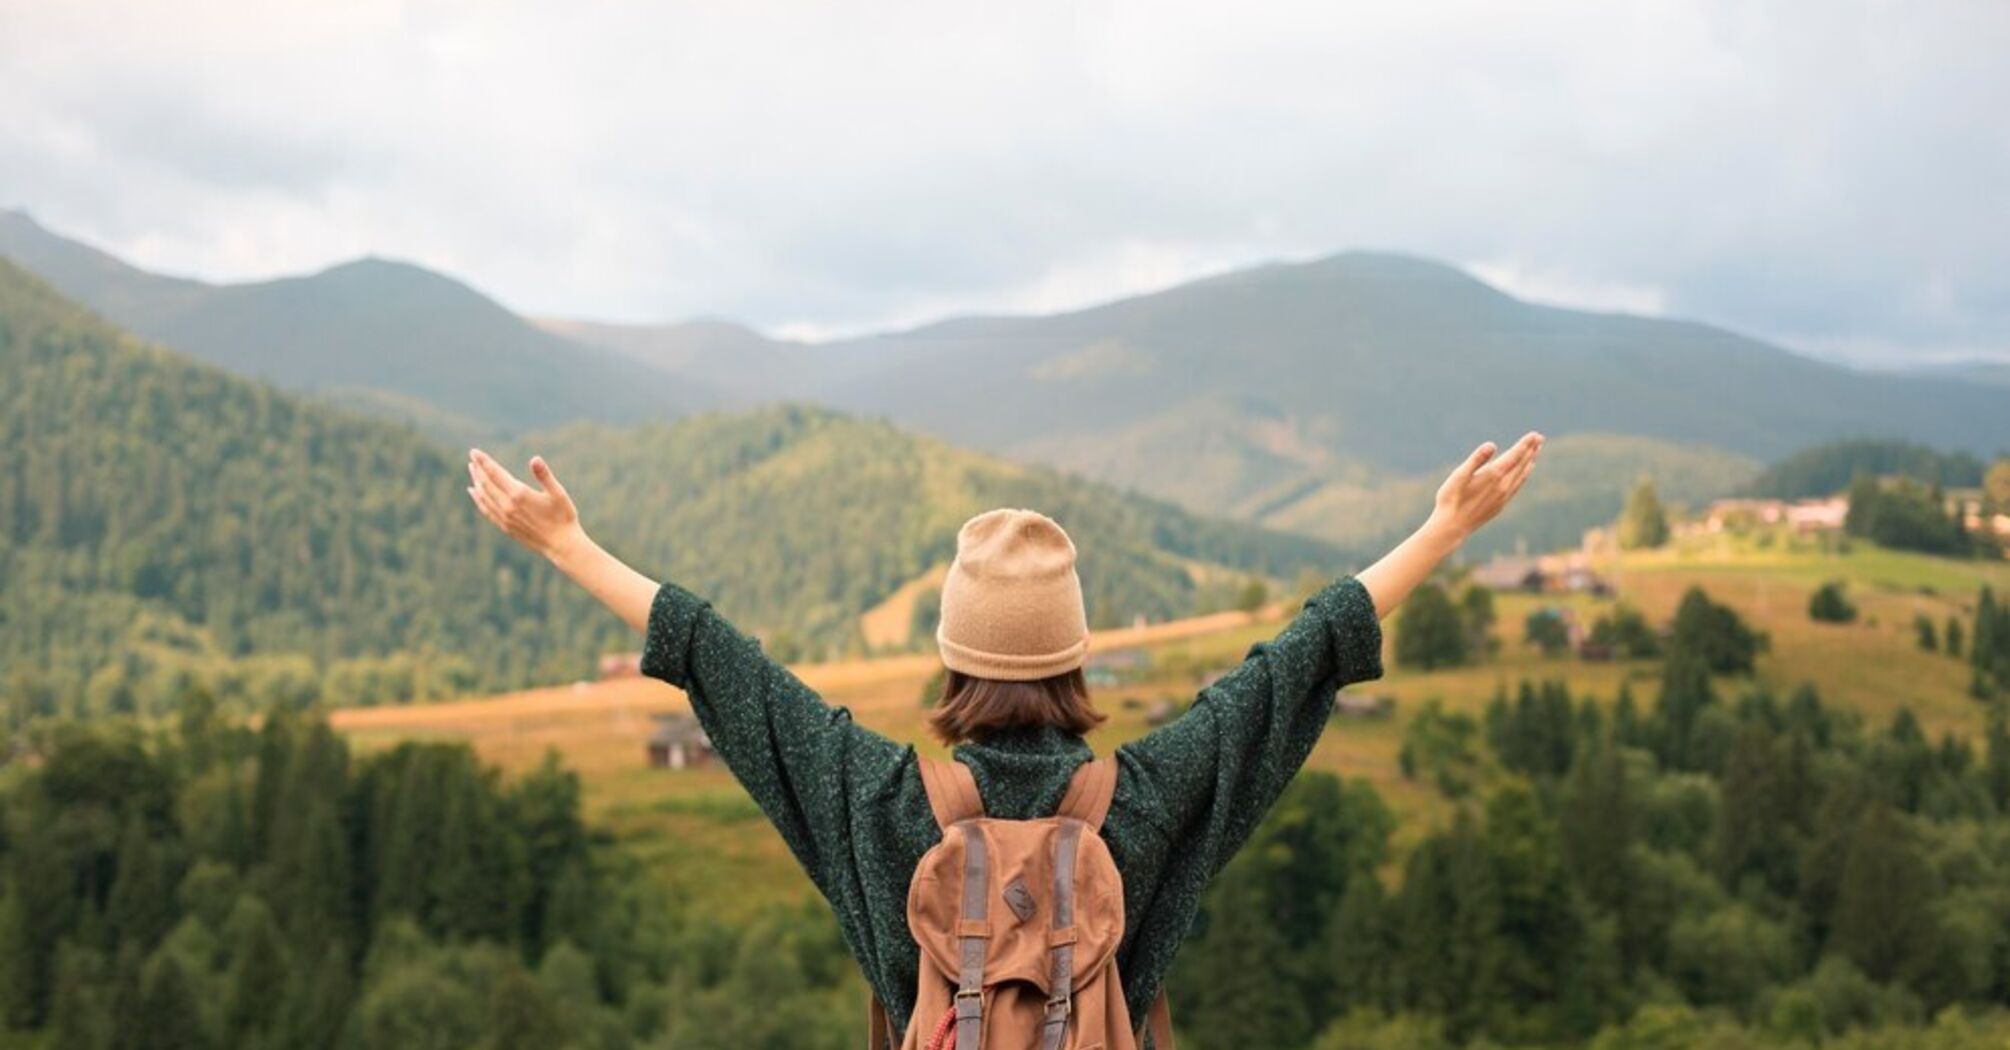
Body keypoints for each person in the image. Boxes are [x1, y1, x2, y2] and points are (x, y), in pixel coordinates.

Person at [465, 430, 1544, 1039]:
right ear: (1074, 658)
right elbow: (1298, 661)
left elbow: (722, 663)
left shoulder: (875, 799)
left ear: (951, 658)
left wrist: (569, 547)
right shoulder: (1154, 798)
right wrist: (1444, 529)